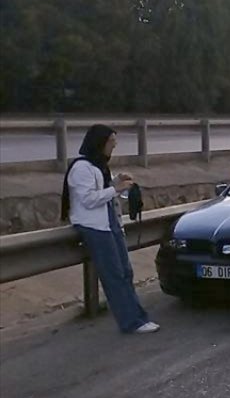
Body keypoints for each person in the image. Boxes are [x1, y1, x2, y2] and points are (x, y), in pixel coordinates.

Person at [60, 125, 159, 334]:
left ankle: (139, 318)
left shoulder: (99, 166)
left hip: (110, 223)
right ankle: (131, 322)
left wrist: (116, 181)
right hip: (94, 227)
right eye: (111, 142)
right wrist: (116, 188)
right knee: (114, 275)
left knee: (125, 272)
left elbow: (101, 190)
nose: (114, 146)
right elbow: (87, 199)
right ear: (100, 143)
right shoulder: (81, 168)